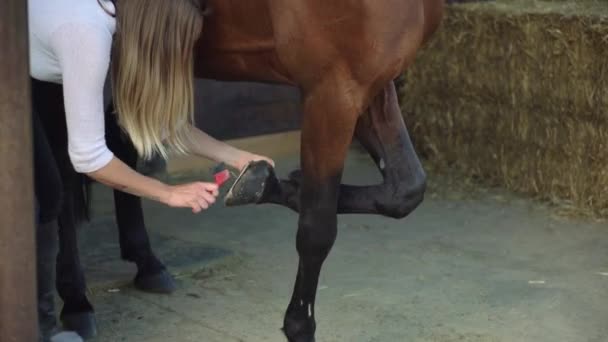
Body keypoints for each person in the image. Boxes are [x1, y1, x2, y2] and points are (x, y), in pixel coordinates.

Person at [28, 0, 274, 340]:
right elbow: (88, 157)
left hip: (37, 67)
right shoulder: (86, 33)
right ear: (156, 37)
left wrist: (235, 156)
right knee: (44, 194)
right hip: (14, 71)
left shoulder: (115, 25)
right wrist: (169, 193)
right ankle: (35, 330)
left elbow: (163, 124)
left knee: (49, 191)